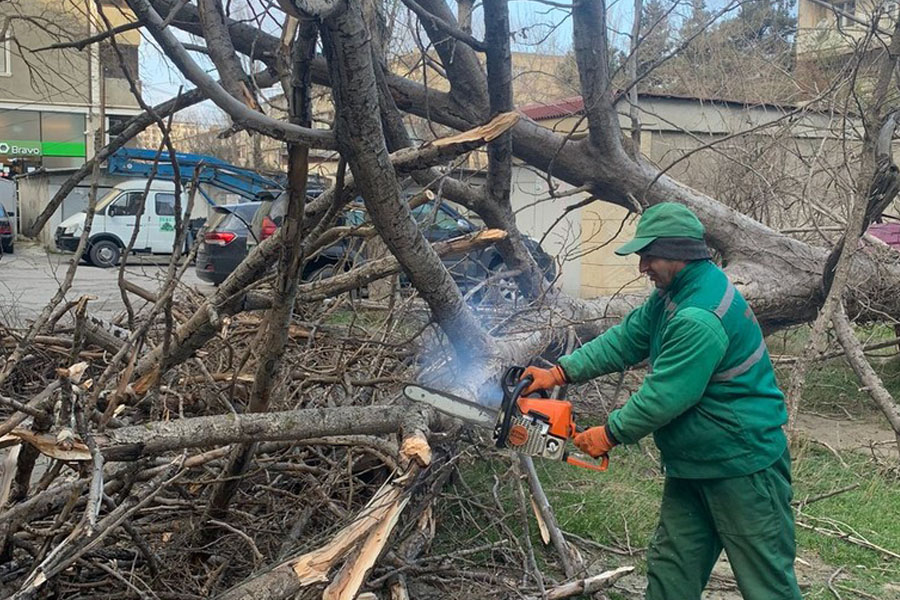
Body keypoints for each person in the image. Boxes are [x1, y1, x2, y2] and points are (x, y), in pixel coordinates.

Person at [521, 203, 802, 600]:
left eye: (648, 256)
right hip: (694, 465)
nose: (642, 267)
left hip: (742, 466)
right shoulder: (675, 293)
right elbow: (627, 338)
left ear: (678, 253)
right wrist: (560, 372)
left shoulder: (699, 316)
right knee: (672, 575)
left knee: (766, 584)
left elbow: (667, 395)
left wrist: (611, 433)